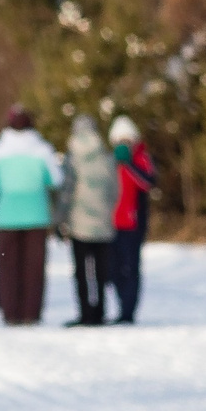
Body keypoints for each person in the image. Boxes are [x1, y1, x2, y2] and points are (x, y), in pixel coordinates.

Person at [0, 105, 64, 326]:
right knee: (33, 268)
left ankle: (10, 313)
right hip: (36, 215)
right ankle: (30, 314)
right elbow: (56, 180)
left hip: (6, 217)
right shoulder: (43, 150)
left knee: (8, 267)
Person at [61, 114, 116, 326]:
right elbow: (114, 190)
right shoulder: (106, 157)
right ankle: (100, 312)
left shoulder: (73, 158)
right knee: (101, 272)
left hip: (79, 223)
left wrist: (60, 219)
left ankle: (85, 313)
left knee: (82, 272)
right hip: (103, 223)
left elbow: (67, 191)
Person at [107, 115, 155, 323]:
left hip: (134, 224)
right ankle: (121, 304)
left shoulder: (141, 159)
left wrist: (128, 165)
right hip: (112, 224)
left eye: (127, 140)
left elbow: (148, 183)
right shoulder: (110, 161)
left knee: (131, 268)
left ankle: (128, 311)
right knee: (112, 269)